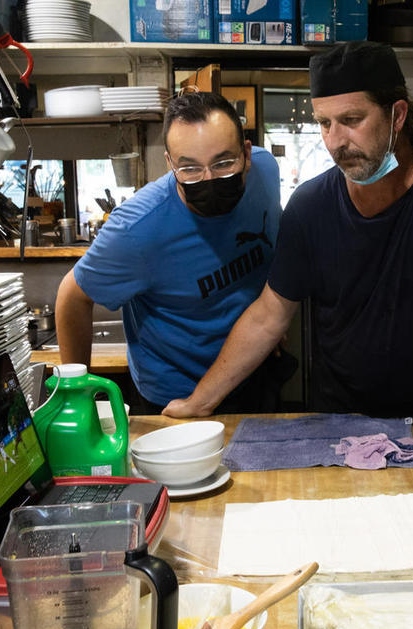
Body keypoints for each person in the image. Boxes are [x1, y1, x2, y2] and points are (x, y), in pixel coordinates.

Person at [163, 41, 413, 486]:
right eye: (324, 123)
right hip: (337, 424)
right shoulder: (310, 206)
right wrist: (199, 402)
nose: (336, 141)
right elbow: (269, 315)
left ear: (397, 115)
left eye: (352, 120)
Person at [54, 92, 283, 413]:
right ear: (170, 164)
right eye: (190, 168)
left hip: (253, 370)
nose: (209, 180)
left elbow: (269, 247)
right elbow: (72, 296)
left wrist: (270, 319)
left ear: (246, 153)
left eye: (224, 162)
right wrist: (77, 396)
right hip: (176, 396)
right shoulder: (136, 230)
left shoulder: (265, 172)